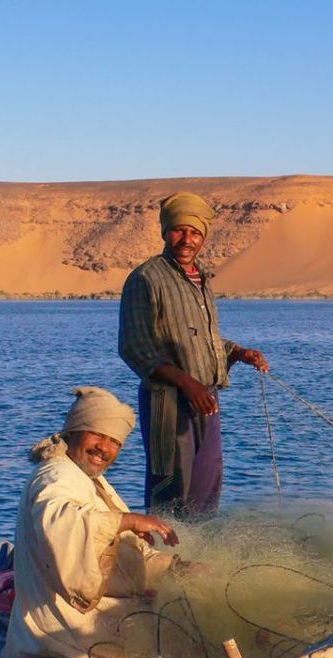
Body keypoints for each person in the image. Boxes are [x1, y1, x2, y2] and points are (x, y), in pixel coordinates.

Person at [3, 387, 180, 658]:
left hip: (95, 630)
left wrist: (174, 568)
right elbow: (61, 524)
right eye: (97, 435)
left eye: (115, 441)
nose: (105, 448)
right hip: (64, 641)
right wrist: (127, 520)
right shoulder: (56, 475)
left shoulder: (89, 480)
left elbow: (124, 545)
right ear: (74, 430)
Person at [119, 191, 269, 518]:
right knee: (171, 486)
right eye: (179, 230)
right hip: (169, 403)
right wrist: (187, 384)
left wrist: (239, 352)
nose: (187, 239)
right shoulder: (146, 278)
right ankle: (164, 560)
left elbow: (204, 339)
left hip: (206, 399)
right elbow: (134, 346)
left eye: (195, 232)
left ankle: (199, 559)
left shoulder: (201, 279)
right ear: (165, 232)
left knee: (208, 483)